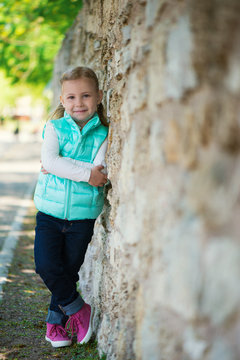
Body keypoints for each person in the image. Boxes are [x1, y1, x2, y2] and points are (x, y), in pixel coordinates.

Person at [33, 66, 109, 348]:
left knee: (67, 270)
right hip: (49, 213)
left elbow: (96, 169)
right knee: (46, 266)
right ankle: (79, 309)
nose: (79, 103)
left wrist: (61, 166)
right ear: (63, 100)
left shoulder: (104, 133)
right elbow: (55, 163)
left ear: (99, 96)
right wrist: (85, 173)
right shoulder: (54, 128)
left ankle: (55, 324)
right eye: (72, 97)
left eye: (86, 95)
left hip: (82, 216)